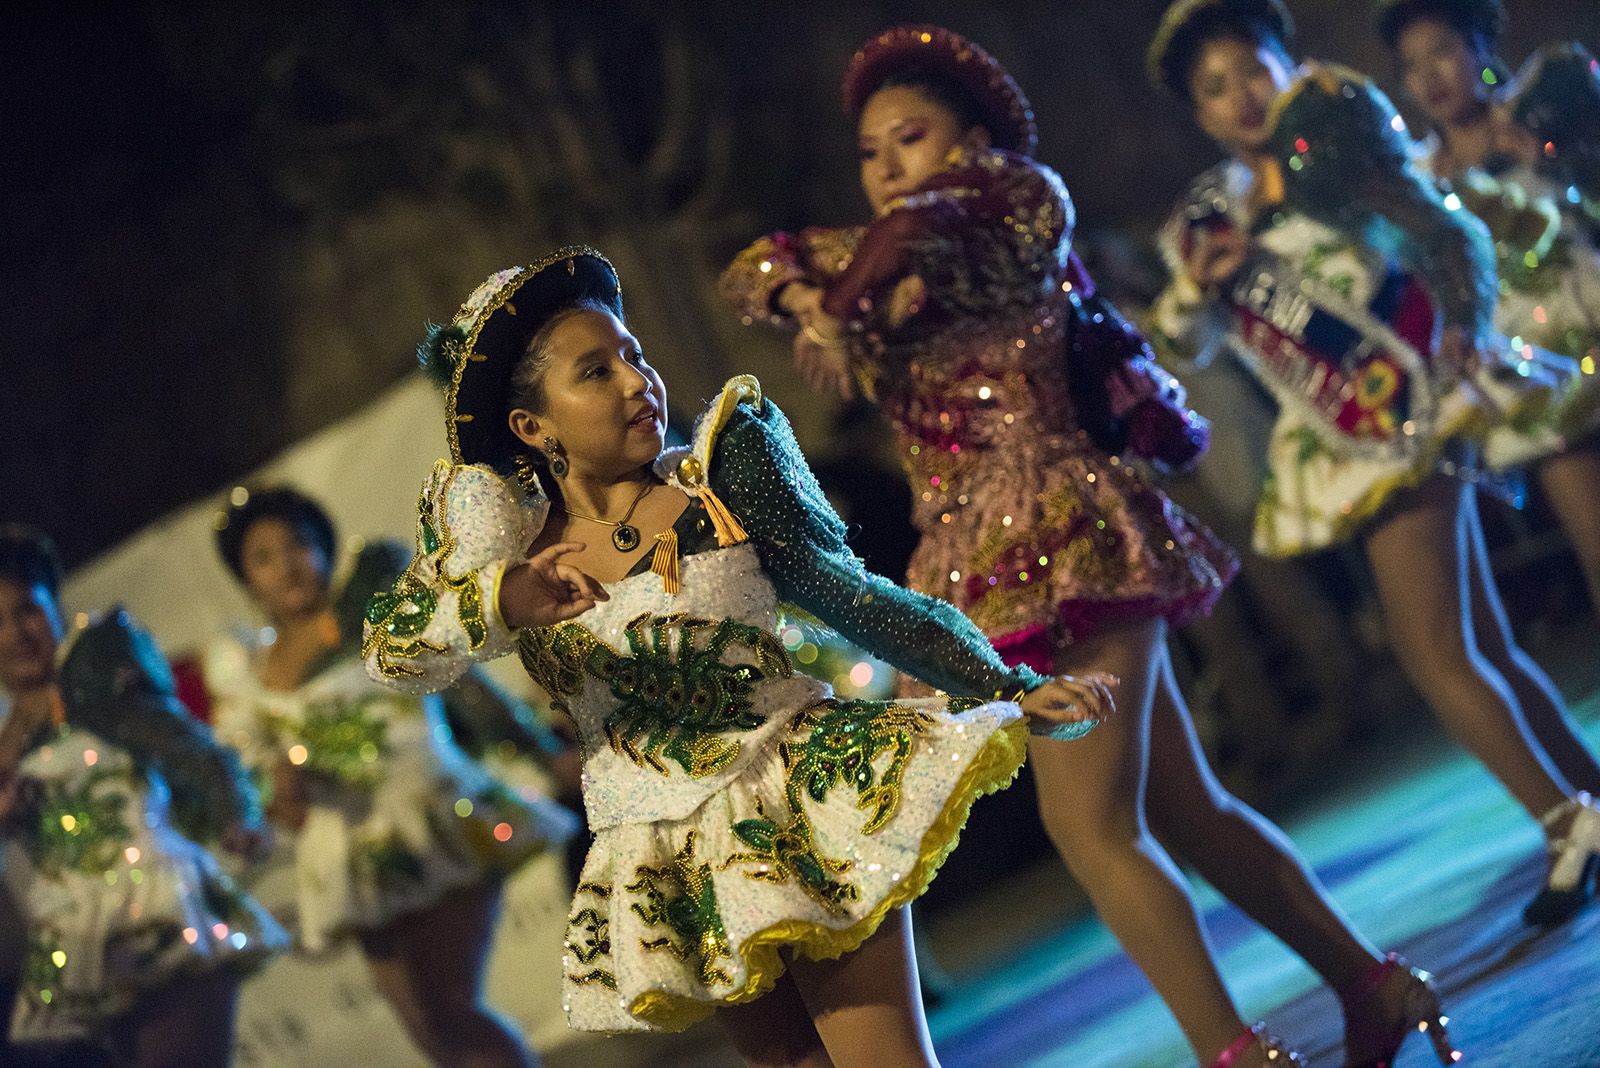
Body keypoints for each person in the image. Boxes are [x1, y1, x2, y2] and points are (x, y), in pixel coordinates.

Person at [722, 23, 1441, 1068]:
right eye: (870, 154)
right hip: (974, 563)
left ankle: (1233, 1053)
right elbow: (751, 266)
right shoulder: (888, 258)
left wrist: (835, 305)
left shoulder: (1012, 202)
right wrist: (804, 298)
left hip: (1063, 538)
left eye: (910, 139)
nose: (886, 171)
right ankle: (1374, 988)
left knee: (1094, 829)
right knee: (1185, 810)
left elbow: (930, 218)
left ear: (972, 139)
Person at [363, 246, 1113, 1068]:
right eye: (594, 372)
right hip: (669, 852)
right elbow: (395, 653)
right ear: (532, 426)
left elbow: (859, 601)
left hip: (800, 795)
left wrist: (1007, 684)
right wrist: (502, 599)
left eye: (632, 355)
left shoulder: (718, 488)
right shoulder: (505, 556)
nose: (633, 381)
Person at [1148, 0, 1600, 946]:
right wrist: (1201, 286)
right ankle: (1586, 799)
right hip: (1345, 436)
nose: (1241, 98)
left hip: (1406, 414)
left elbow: (1444, 237)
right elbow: (1188, 340)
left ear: (1287, 63)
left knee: (1432, 648)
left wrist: (1466, 332)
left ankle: (1569, 823)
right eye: (1215, 89)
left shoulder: (1340, 134)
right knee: (1476, 639)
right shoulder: (1210, 213)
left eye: (1253, 71)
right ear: (1195, 114)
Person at [203, 487, 576, 1068]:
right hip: (351, 860)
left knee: (448, 1009)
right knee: (428, 1033)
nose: (288, 564)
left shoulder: (377, 615)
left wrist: (541, 749)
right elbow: (255, 777)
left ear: (322, 547)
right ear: (246, 579)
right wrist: (279, 790)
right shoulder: (248, 676)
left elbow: (462, 684)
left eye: (298, 544)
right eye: (265, 557)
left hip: (438, 817)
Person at [0, 524, 287, 1067]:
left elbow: (193, 752)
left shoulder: (103, 689)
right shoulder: (7, 748)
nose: (16, 632)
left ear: (54, 606)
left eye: (26, 610)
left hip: (161, 910)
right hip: (81, 946)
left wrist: (236, 813)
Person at [1375, 0, 1600, 625]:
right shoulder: (1416, 178)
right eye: (1412, 66)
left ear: (1480, 46)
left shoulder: (1543, 115)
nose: (1431, 76)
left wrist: (1552, 155)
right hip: (1540, 383)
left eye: (1444, 51)